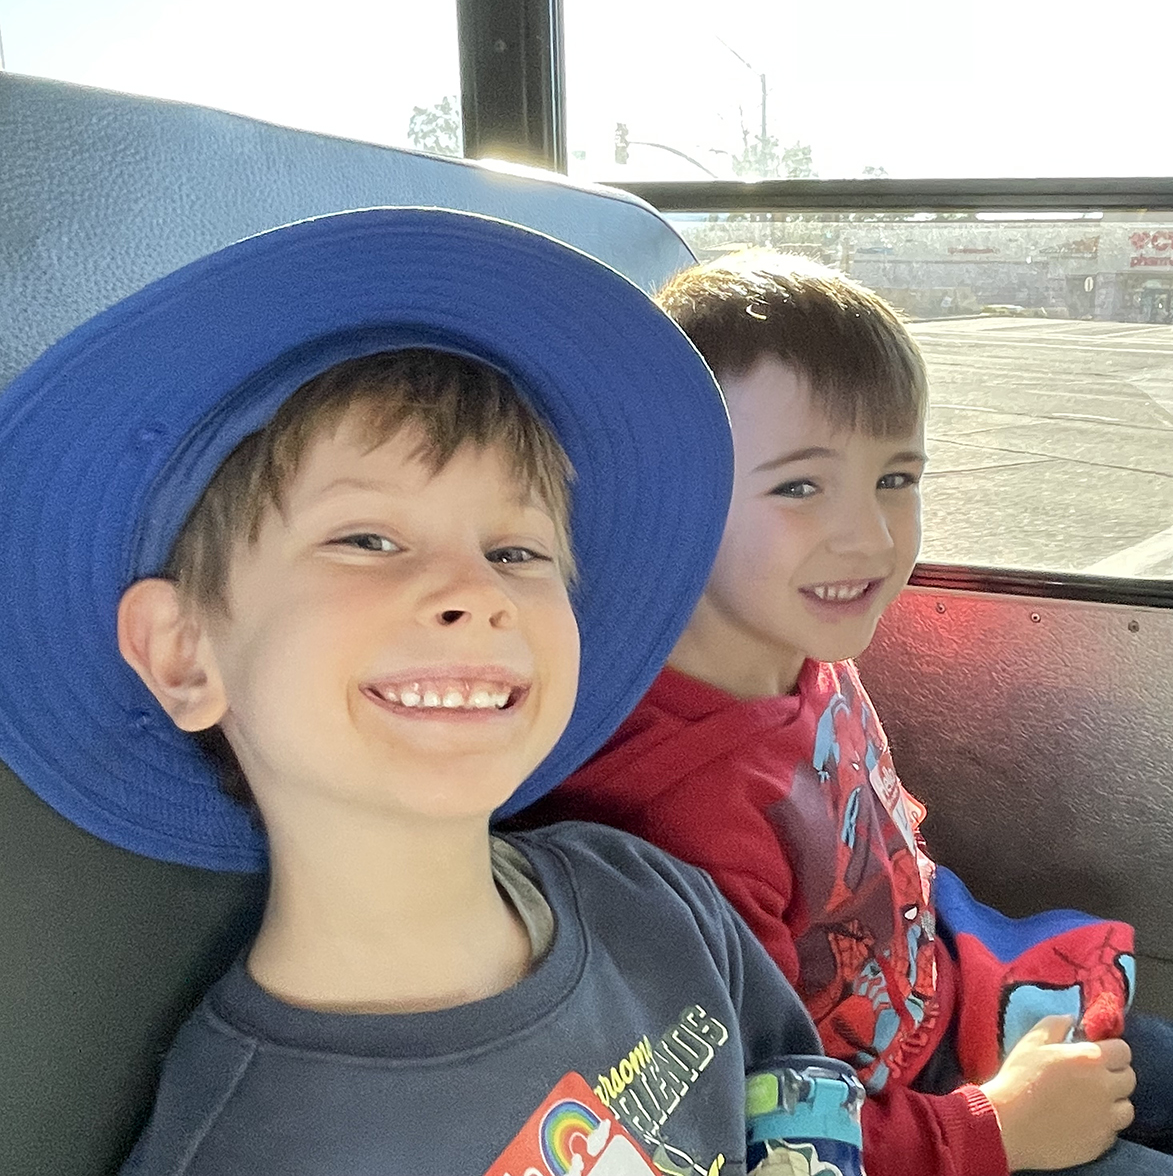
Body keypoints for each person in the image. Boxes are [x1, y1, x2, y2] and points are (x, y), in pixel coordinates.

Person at [0, 211, 838, 1176]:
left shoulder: (650, 895)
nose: (478, 596)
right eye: (367, 540)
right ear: (186, 655)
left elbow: (797, 1101)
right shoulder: (254, 1146)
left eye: (516, 552)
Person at [534, 252, 1173, 1176]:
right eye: (798, 486)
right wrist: (996, 1129)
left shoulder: (807, 655)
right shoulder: (667, 816)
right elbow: (747, 1126)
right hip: (892, 1127)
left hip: (951, 1011)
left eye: (895, 479)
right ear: (672, 496)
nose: (869, 536)